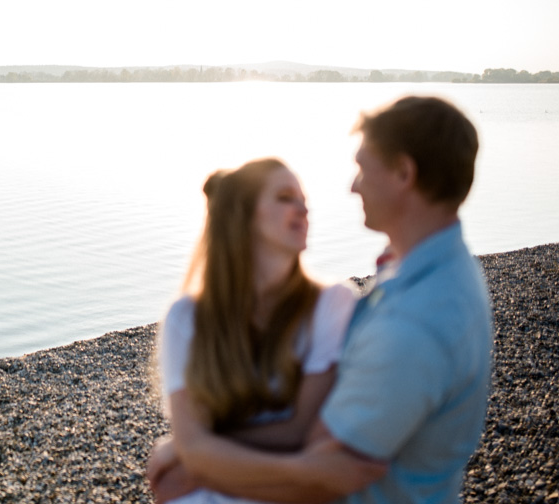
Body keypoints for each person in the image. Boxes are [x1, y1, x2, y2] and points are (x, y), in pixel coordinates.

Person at [148, 96, 492, 504]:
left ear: (404, 173)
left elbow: (323, 473)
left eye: (363, 166)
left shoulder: (411, 321)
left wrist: (197, 463)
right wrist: (195, 450)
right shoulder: (427, 274)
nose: (352, 185)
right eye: (283, 198)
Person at [153, 156, 361, 504]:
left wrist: (196, 453)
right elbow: (193, 447)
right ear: (244, 215)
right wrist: (193, 451)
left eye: (304, 200)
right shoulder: (185, 318)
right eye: (284, 197)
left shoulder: (331, 304)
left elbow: (302, 429)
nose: (302, 210)